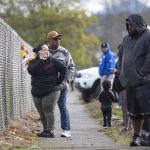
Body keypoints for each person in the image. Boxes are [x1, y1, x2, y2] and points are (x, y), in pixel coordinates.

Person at [118, 13, 150, 147]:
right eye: (127, 25)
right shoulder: (126, 39)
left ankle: (147, 136)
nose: (128, 27)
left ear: (138, 24)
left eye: (130, 24)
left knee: (148, 109)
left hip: (144, 81)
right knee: (134, 111)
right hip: (129, 82)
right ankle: (136, 136)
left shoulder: (148, 36)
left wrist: (143, 72)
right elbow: (121, 56)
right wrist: (120, 72)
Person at [27, 44, 67, 138]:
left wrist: (58, 82)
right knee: (41, 112)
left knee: (48, 110)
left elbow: (63, 69)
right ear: (39, 52)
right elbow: (32, 71)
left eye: (47, 50)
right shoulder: (33, 61)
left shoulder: (52, 60)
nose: (47, 51)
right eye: (44, 50)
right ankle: (45, 130)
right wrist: (41, 61)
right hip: (37, 91)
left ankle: (50, 131)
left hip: (51, 91)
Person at [47, 31, 75, 138]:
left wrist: (66, 81)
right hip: (48, 86)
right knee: (49, 108)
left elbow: (71, 67)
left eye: (59, 38)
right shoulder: (44, 51)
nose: (58, 40)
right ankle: (50, 129)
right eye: (55, 39)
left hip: (61, 85)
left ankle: (66, 130)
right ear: (49, 40)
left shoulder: (64, 52)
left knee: (62, 106)